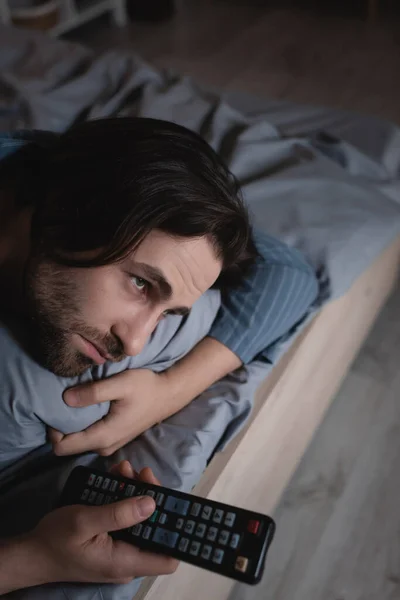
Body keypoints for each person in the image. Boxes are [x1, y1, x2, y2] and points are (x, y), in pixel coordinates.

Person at [0, 117, 318, 592]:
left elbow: (288, 273)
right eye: (141, 283)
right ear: (65, 212)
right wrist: (33, 560)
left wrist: (172, 389)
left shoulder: (65, 170)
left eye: (168, 312)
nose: (135, 344)